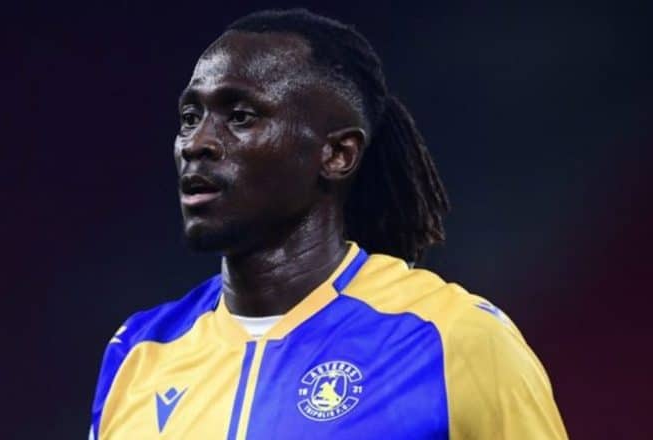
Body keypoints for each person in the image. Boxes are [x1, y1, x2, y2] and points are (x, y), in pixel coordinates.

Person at [89, 8, 567, 439]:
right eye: (191, 117)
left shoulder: (451, 339)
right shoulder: (140, 351)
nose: (197, 143)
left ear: (337, 154)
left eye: (240, 117)